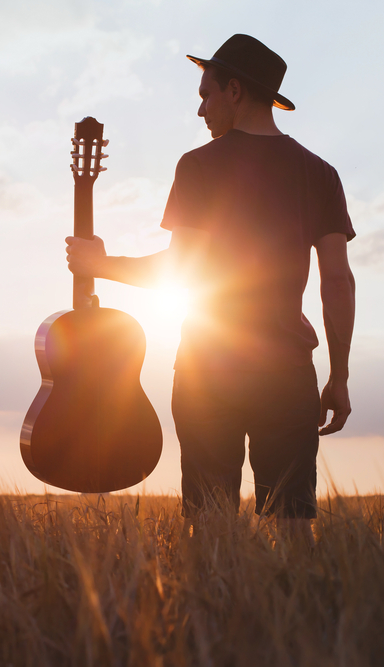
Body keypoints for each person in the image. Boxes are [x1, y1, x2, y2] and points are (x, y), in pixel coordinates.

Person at [65, 34, 355, 543]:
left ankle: (214, 623)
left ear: (235, 91)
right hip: (288, 372)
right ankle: (301, 622)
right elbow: (338, 280)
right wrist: (340, 376)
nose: (201, 110)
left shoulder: (199, 166)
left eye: (206, 94)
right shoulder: (321, 174)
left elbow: (183, 269)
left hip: (208, 370)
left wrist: (100, 264)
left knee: (210, 530)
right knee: (293, 532)